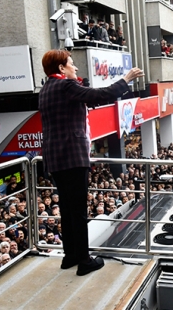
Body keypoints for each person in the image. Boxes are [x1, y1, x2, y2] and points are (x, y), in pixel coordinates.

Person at [39, 49, 143, 276]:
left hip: (55, 157)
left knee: (66, 209)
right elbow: (99, 95)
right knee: (77, 210)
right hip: (73, 156)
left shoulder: (45, 89)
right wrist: (125, 80)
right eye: (71, 63)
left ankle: (71, 256)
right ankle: (85, 261)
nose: (75, 68)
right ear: (60, 68)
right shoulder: (65, 86)